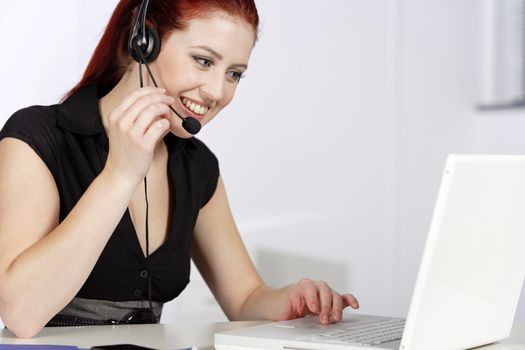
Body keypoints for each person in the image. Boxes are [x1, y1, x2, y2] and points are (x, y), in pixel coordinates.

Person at [0, 0, 359, 339]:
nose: (217, 91)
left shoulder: (197, 166)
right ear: (144, 43)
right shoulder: (38, 138)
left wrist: (295, 298)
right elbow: (21, 314)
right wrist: (120, 174)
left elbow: (245, 298)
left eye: (234, 73)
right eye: (204, 61)